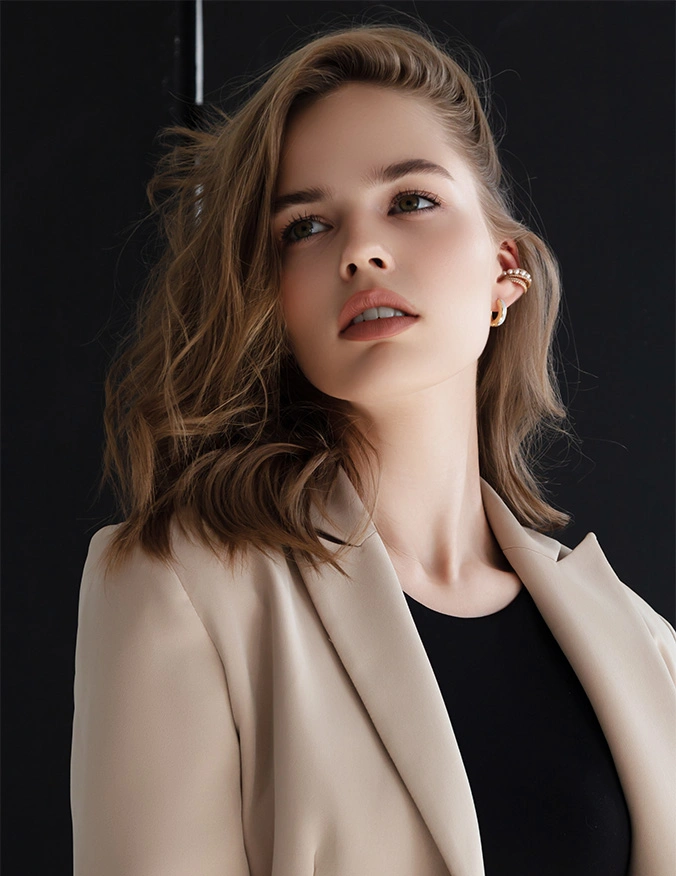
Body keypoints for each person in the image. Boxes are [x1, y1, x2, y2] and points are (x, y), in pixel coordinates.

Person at [70, 21, 676, 876]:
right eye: (306, 227)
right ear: (272, 299)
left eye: (411, 201)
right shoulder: (183, 590)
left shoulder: (646, 648)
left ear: (504, 268)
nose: (361, 251)